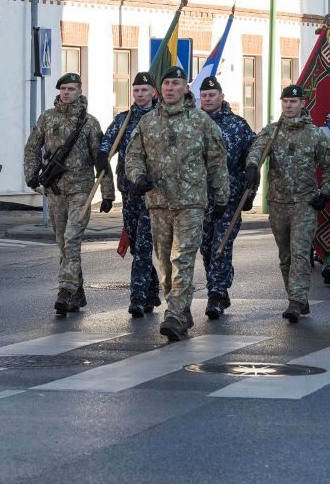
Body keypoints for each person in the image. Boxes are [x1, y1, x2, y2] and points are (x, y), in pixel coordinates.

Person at [124, 66, 229, 341]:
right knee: (164, 264)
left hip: (190, 202)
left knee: (181, 258)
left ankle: (174, 314)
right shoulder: (147, 122)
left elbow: (217, 162)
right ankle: (180, 308)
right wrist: (138, 177)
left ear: (185, 88)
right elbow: (132, 155)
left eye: (176, 83)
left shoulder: (201, 121)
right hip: (158, 202)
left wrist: (221, 196)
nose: (170, 88)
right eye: (167, 83)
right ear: (161, 89)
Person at [24, 73, 114, 315]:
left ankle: (64, 290)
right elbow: (32, 148)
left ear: (79, 91)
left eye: (71, 89)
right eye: (63, 88)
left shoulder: (89, 123)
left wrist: (107, 192)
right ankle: (77, 293)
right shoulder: (47, 118)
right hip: (55, 192)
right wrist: (31, 175)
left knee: (72, 239)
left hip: (80, 191)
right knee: (64, 244)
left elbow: (101, 159)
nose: (66, 93)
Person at [246, 84, 330, 323]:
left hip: (304, 204)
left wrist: (325, 192)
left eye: (293, 102)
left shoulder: (314, 134)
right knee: (285, 256)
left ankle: (296, 299)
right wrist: (252, 166)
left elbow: (329, 164)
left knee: (299, 254)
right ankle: (296, 297)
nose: (289, 105)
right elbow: (257, 151)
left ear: (302, 104)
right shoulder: (272, 131)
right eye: (285, 101)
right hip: (278, 202)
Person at [98, 72, 160, 317]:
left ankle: (138, 297)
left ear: (153, 92)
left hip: (153, 193)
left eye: (144, 90)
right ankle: (152, 291)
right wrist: (102, 158)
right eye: (136, 91)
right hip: (129, 190)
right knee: (135, 244)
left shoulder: (160, 118)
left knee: (144, 245)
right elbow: (107, 143)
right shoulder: (125, 119)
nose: (140, 95)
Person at [198, 76, 255, 320]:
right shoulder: (192, 124)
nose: (208, 99)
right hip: (199, 198)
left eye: (212, 95)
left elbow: (252, 160)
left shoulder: (238, 125)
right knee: (206, 248)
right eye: (204, 95)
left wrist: (250, 192)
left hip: (230, 197)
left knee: (221, 246)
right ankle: (219, 288)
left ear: (221, 96)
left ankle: (216, 294)